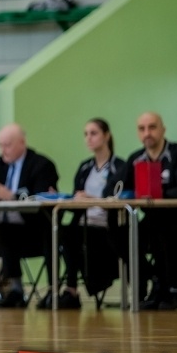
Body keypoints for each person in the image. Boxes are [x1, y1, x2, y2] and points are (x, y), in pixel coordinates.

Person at [37, 118, 123, 310]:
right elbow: (76, 198)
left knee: (69, 235)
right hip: (82, 222)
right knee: (53, 232)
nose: (88, 138)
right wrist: (60, 197)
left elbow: (118, 199)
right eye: (86, 134)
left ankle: (72, 289)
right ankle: (53, 289)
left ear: (106, 136)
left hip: (105, 225)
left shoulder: (119, 166)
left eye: (93, 133)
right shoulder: (85, 167)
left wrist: (92, 198)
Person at [0, 123, 59, 308]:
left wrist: (11, 196)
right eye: (1, 145)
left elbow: (41, 197)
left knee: (7, 231)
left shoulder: (42, 165)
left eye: (8, 145)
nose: (3, 150)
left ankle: (48, 291)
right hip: (1, 229)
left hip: (33, 229)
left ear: (22, 142)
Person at [118, 112, 177, 310]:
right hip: (151, 218)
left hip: (176, 217)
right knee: (119, 234)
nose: (147, 133)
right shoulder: (136, 159)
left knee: (162, 229)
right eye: (142, 129)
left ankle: (171, 288)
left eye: (152, 127)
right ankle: (151, 277)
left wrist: (157, 194)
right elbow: (116, 188)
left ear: (163, 129)